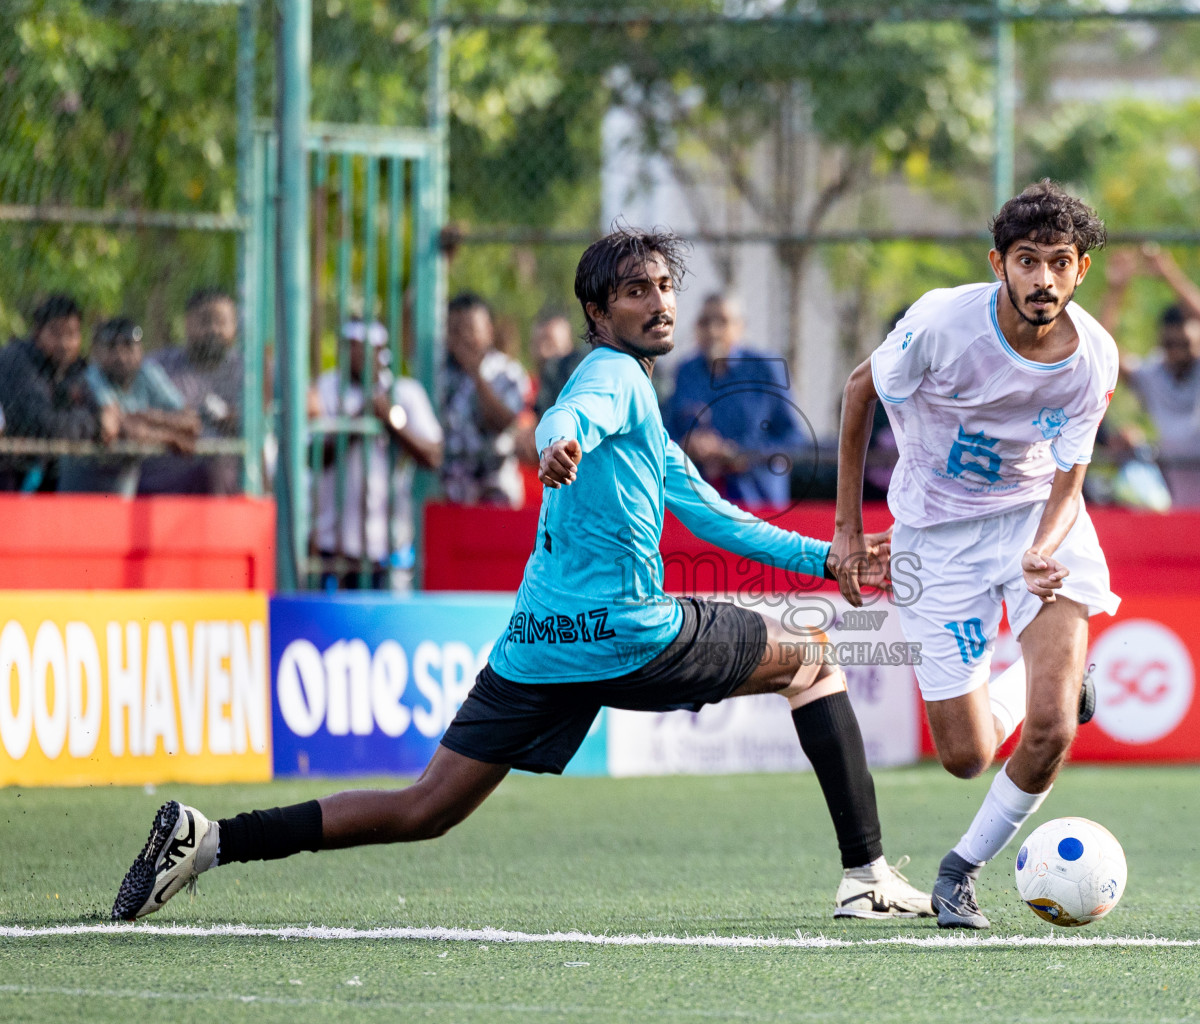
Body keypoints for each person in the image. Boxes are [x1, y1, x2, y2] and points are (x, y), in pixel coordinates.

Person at [112, 227, 933, 925]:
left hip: (539, 642)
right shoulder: (611, 379)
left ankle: (210, 838)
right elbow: (565, 417)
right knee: (817, 654)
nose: (659, 302)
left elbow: (708, 512)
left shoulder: (636, 396)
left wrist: (824, 557)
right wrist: (553, 445)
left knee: (423, 808)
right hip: (625, 635)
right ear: (597, 312)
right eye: (636, 290)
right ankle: (867, 877)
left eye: (664, 285)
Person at [833, 180, 1118, 929]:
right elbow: (860, 389)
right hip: (937, 536)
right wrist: (848, 529)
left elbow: (1070, 476)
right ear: (999, 263)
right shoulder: (940, 323)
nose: (1044, 280)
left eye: (1061, 263)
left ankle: (959, 874)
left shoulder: (1094, 358)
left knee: (1053, 728)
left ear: (1081, 270)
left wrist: (1042, 551)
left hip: (1034, 525)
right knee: (966, 755)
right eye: (1028, 261)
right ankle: (1036, 678)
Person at [1099, 244, 1200, 510]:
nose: (1177, 352)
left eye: (1185, 344)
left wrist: (1170, 275)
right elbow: (1102, 351)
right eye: (1170, 345)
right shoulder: (1154, 374)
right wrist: (1116, 289)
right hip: (1186, 505)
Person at [309, 320, 443, 590]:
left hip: (389, 545)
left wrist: (391, 424)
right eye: (352, 349)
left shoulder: (405, 392)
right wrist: (359, 422)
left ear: (382, 352)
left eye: (367, 350)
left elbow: (433, 456)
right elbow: (311, 457)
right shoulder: (324, 388)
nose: (360, 357)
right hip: (332, 544)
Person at [663, 293, 807, 509]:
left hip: (757, 503)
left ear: (740, 326)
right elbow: (666, 433)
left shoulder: (766, 369)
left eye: (722, 321)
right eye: (705, 322)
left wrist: (741, 453)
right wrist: (689, 444)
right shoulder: (686, 371)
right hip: (697, 505)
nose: (712, 330)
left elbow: (794, 441)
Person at [58, 318, 200, 496]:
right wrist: (171, 437)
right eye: (111, 347)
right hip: (83, 493)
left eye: (128, 346)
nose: (121, 355)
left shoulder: (147, 372)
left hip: (122, 491)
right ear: (96, 352)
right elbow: (123, 429)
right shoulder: (91, 377)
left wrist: (148, 418)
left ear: (141, 350)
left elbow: (190, 421)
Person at [0, 294, 116, 491]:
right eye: (56, 333)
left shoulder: (73, 369)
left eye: (72, 334)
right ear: (37, 333)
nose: (65, 343)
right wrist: (95, 424)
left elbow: (96, 412)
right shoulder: (16, 361)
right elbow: (41, 425)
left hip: (49, 483)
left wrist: (104, 419)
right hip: (10, 480)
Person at [140, 288, 246, 495]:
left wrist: (235, 420)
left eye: (222, 322)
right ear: (187, 323)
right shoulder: (158, 368)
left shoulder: (247, 372)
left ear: (234, 326)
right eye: (205, 321)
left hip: (226, 495)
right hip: (165, 490)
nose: (214, 329)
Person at [439, 292, 531, 506]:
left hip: (496, 494)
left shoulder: (507, 372)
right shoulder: (437, 374)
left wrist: (476, 374)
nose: (463, 338)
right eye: (455, 331)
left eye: (470, 329)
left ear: (489, 331)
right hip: (448, 496)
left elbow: (504, 422)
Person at [530, 312, 584, 418]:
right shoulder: (525, 387)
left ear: (570, 346)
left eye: (550, 344)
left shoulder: (580, 390)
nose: (543, 351)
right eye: (537, 344)